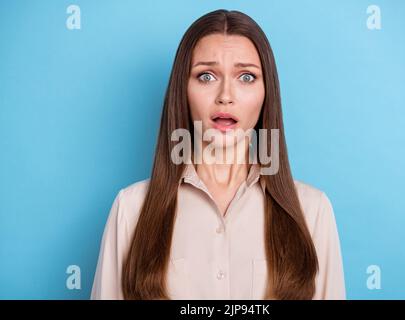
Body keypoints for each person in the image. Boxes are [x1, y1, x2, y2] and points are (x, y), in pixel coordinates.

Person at [91, 9, 346, 300]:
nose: (226, 95)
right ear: (182, 90)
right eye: (207, 76)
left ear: (266, 94)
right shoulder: (131, 209)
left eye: (246, 77)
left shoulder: (312, 211)